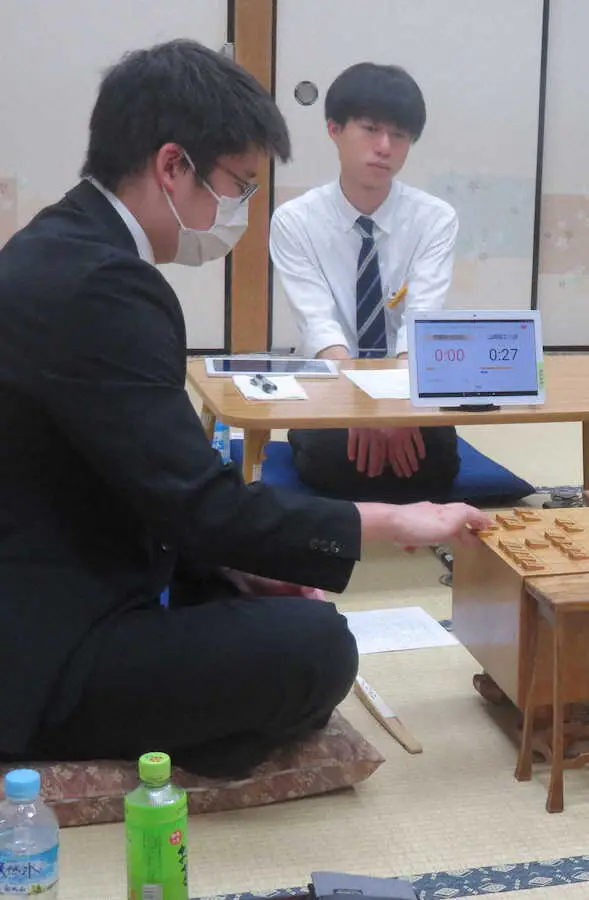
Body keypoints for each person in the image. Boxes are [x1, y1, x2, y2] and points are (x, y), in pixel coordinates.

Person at [0, 40, 491, 779]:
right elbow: (197, 501)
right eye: (239, 185)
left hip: (64, 560)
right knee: (318, 648)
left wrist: (233, 566)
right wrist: (391, 522)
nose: (241, 210)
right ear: (173, 166)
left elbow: (144, 478)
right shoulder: (103, 288)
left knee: (255, 596)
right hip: (41, 645)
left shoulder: (61, 249)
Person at [271, 62, 461, 503]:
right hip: (331, 378)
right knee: (329, 460)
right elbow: (320, 326)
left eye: (399, 135)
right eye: (370, 129)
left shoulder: (434, 219)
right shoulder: (295, 221)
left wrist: (393, 411)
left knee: (437, 463)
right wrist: (359, 407)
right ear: (334, 129)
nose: (384, 147)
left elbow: (421, 324)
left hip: (406, 381)